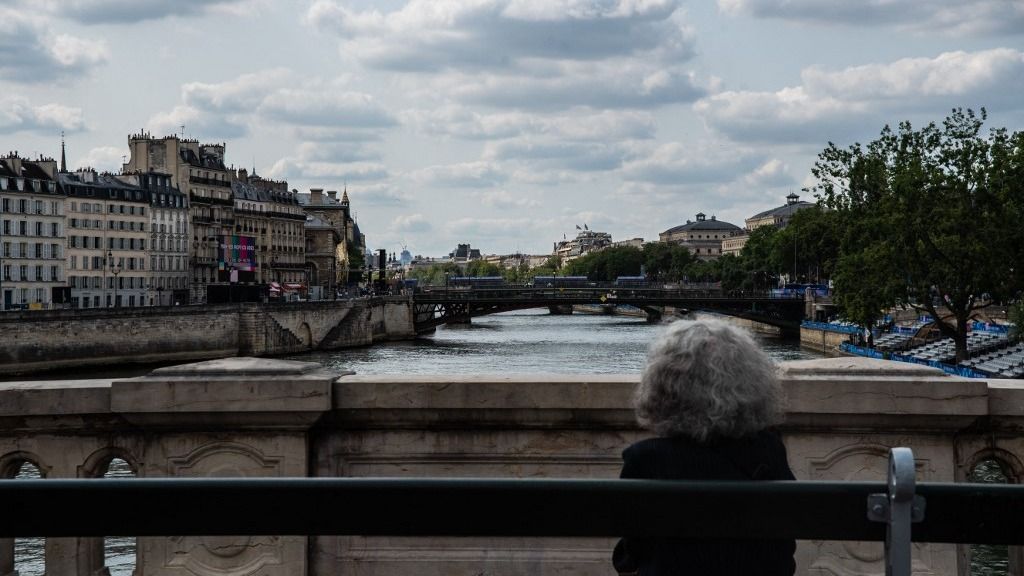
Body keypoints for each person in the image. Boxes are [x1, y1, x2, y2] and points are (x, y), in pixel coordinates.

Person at [613, 318, 796, 576]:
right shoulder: (768, 450)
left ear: (663, 387)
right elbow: (784, 548)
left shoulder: (646, 459)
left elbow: (629, 557)